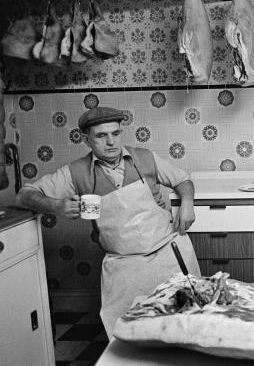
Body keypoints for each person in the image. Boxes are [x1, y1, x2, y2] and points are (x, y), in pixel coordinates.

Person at [15, 106, 201, 337]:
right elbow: (24, 195)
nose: (111, 142)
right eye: (101, 136)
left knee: (185, 327)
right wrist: (56, 206)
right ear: (86, 140)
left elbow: (183, 180)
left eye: (115, 133)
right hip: (123, 264)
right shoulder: (75, 172)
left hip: (168, 253)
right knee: (128, 335)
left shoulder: (145, 157)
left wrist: (187, 203)